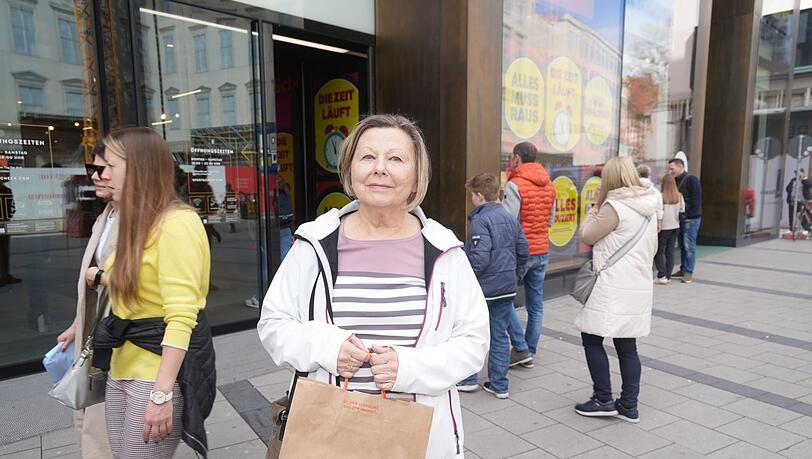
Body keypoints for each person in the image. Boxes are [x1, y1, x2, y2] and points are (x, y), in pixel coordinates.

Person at [257, 114, 489, 458]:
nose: (380, 168)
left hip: (418, 439)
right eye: (367, 157)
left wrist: (408, 368)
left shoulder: (444, 250)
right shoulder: (315, 243)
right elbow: (274, 325)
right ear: (350, 170)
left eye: (395, 158)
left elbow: (473, 342)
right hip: (327, 436)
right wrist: (327, 346)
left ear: (415, 177)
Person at [88, 128, 216, 459]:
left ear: (139, 168)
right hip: (121, 366)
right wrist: (100, 277)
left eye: (109, 166)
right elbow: (133, 278)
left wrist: (161, 395)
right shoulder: (138, 221)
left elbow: (181, 314)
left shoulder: (177, 223)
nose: (100, 174)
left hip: (153, 375)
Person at [573, 156, 658, 423]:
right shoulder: (648, 204)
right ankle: (629, 406)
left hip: (613, 285)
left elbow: (587, 236)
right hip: (638, 283)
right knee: (626, 345)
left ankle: (603, 399)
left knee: (591, 338)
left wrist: (595, 206)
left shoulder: (614, 206)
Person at [55, 143, 115, 458]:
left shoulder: (141, 219)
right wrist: (77, 324)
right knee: (90, 417)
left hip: (119, 342)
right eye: (91, 169)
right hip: (97, 333)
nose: (94, 176)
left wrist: (97, 276)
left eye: (102, 168)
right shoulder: (107, 214)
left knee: (104, 427)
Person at [457, 173, 529, 399]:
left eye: (471, 195)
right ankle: (499, 385)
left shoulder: (480, 220)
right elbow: (523, 251)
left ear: (479, 196)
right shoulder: (509, 217)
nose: (471, 199)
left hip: (484, 290)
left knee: (472, 333)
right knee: (499, 335)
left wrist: (466, 281)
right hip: (506, 287)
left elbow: (479, 258)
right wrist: (513, 275)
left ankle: (469, 379)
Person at [502, 141, 556, 369]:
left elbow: (508, 222)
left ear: (517, 157)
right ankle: (529, 350)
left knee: (503, 300)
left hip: (520, 253)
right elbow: (551, 221)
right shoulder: (550, 185)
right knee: (536, 305)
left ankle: (521, 347)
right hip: (542, 250)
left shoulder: (516, 185)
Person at [667, 158, 701, 283]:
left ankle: (688, 272)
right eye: (669, 169)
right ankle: (683, 269)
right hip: (680, 219)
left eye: (672, 168)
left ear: (680, 167)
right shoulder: (674, 180)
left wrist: (687, 215)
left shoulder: (692, 179)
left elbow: (696, 200)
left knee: (688, 246)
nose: (670, 171)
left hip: (690, 219)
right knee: (682, 245)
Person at [655, 174, 684, 284]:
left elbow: (658, 212)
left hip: (663, 227)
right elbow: (682, 210)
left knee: (659, 251)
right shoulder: (679, 196)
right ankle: (667, 275)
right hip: (675, 226)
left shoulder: (661, 196)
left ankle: (661, 275)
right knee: (670, 251)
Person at [0, 168, 20, 286]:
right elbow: (11, 208)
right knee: (3, 251)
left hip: (4, 224)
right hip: (4, 223)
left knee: (4, 251)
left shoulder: (6, 190)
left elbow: (11, 208)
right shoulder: (6, 190)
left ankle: (4, 275)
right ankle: (3, 275)